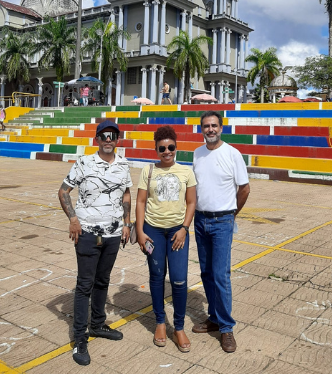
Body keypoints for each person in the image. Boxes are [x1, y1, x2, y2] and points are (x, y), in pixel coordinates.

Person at [58, 120, 133, 366]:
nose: (108, 139)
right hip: (88, 232)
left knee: (103, 281)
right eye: (103, 136)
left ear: (117, 139)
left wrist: (126, 223)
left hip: (113, 234)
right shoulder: (84, 162)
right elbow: (63, 191)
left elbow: (126, 193)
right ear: (97, 139)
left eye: (112, 135)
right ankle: (80, 337)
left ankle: (98, 324)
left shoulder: (123, 164)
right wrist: (72, 219)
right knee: (84, 285)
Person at [191, 110, 250, 353]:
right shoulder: (197, 153)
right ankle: (214, 318)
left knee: (221, 275)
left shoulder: (232, 154)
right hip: (200, 220)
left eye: (214, 125)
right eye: (206, 126)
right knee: (206, 272)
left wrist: (230, 214)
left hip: (222, 221)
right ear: (202, 129)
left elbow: (244, 188)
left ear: (221, 128)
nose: (210, 129)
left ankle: (226, 328)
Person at [135, 125, 196, 353]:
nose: (167, 151)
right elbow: (140, 202)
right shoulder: (148, 171)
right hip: (154, 232)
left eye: (171, 147)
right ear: (156, 149)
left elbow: (191, 202)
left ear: (176, 147)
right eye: (162, 148)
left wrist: (184, 228)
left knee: (179, 279)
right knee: (157, 276)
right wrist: (140, 232)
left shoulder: (186, 172)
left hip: (177, 233)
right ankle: (160, 322)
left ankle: (178, 327)